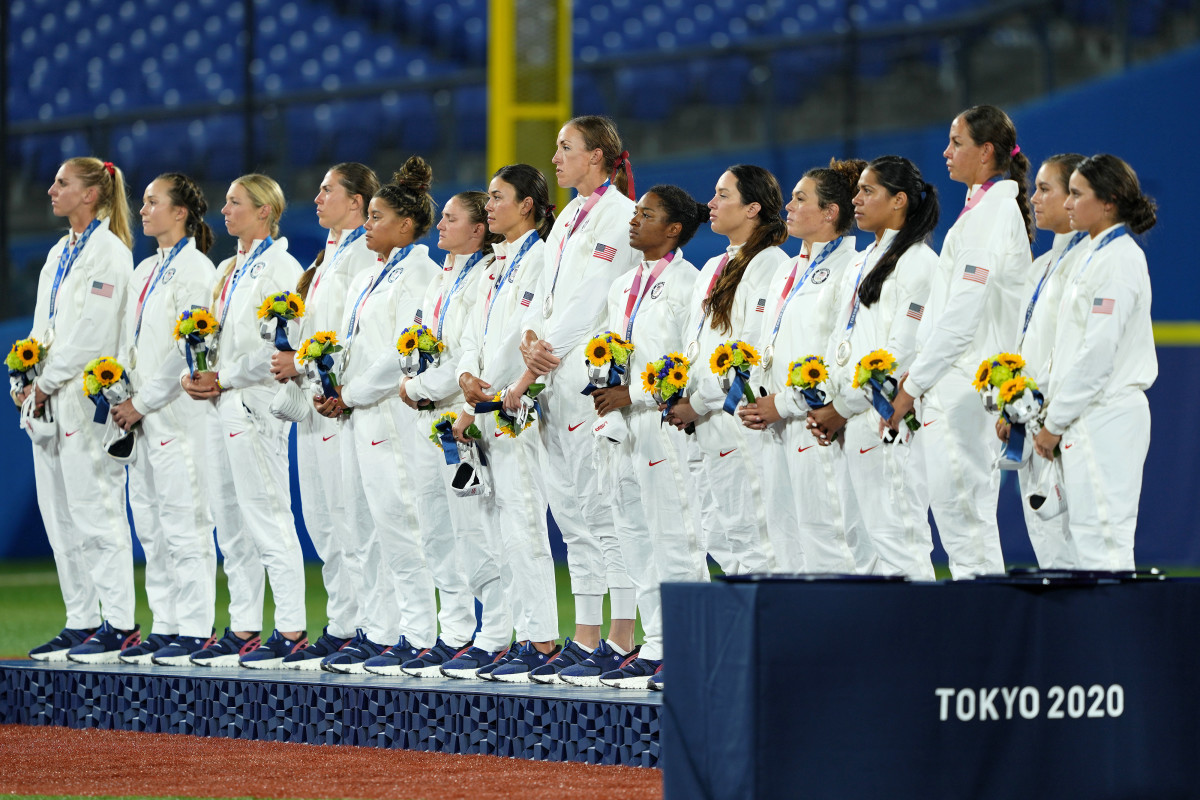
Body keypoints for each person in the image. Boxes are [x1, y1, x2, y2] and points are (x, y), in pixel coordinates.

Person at [503, 116, 641, 683]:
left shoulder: (620, 216)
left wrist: (541, 353)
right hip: (552, 378)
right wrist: (530, 341)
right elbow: (543, 295)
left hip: (588, 378)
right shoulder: (565, 223)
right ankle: (586, 636)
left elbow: (589, 300)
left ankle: (624, 635)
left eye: (565, 148)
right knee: (573, 514)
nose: (555, 158)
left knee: (605, 508)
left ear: (597, 156)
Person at [570, 185, 711, 690]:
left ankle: (690, 649)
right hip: (621, 429)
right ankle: (655, 646)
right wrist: (606, 386)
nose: (634, 221)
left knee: (677, 538)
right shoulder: (622, 284)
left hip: (664, 423)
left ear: (673, 229)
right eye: (634, 213)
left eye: (646, 214)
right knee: (636, 537)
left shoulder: (689, 284)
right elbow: (608, 348)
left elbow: (687, 362)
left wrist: (635, 394)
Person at [310, 157, 445, 673]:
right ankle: (381, 629)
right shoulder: (371, 274)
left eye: (376, 217)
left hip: (392, 414)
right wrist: (334, 385)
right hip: (359, 413)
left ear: (405, 226)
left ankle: (419, 633)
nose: (367, 225)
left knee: (403, 525)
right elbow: (353, 343)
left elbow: (400, 351)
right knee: (364, 525)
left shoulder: (421, 273)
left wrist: (353, 392)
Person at [889, 104, 1035, 578]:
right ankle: (986, 643)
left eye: (957, 142)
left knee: (966, 527)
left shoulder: (991, 212)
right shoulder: (981, 210)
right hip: (951, 382)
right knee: (962, 525)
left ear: (986, 150)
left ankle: (987, 646)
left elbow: (963, 314)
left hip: (961, 386)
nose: (946, 152)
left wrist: (914, 384)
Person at [183, 173, 307, 667]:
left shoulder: (282, 267)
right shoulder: (228, 268)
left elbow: (278, 345)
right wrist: (197, 374)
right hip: (222, 402)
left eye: (235, 203)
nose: (225, 211)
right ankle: (245, 627)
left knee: (269, 516)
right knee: (230, 522)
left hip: (255, 403)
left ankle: (293, 629)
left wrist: (225, 376)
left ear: (264, 211)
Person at [23, 157, 138, 663]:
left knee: (96, 512)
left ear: (91, 194)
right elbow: (40, 325)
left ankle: (120, 624)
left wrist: (44, 382)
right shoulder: (57, 253)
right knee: (59, 516)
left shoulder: (109, 253)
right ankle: (82, 620)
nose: (50, 190)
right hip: (47, 399)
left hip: (83, 396)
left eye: (62, 183)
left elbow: (90, 334)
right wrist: (23, 376)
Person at [266, 163, 381, 669]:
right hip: (313, 403)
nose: (316, 197)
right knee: (322, 520)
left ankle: (375, 627)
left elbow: (353, 335)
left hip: (340, 402)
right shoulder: (326, 254)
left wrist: (305, 361)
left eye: (327, 190)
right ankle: (342, 621)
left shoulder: (363, 256)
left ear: (356, 203)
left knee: (354, 520)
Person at [392, 191, 509, 677]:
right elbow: (422, 339)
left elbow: (467, 353)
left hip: (459, 417)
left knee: (477, 532)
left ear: (478, 230)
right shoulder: (441, 278)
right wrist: (411, 377)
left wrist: (416, 385)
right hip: (425, 418)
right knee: (437, 533)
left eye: (450, 218)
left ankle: (497, 633)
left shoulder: (483, 277)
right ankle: (456, 632)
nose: (439, 225)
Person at [808, 156, 941, 580]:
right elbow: (839, 339)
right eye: (857, 190)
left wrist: (842, 407)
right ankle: (880, 644)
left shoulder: (920, 262)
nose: (856, 199)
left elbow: (901, 351)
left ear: (899, 200)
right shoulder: (863, 259)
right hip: (851, 416)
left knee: (899, 537)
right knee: (860, 539)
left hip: (886, 416)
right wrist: (829, 400)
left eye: (868, 191)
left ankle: (920, 645)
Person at [450, 164, 559, 681]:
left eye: (498, 197)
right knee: (495, 530)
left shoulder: (541, 257)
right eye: (488, 198)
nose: (488, 205)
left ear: (527, 206)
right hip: (486, 406)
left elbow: (525, 331)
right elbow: (472, 330)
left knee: (522, 528)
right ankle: (518, 636)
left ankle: (541, 641)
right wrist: (467, 377)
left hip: (517, 408)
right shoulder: (493, 264)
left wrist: (485, 390)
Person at [107, 173, 219, 665]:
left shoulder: (195, 268)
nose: (143, 209)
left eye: (154, 202)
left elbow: (187, 349)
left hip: (177, 416)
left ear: (181, 213)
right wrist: (120, 391)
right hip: (143, 417)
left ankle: (195, 628)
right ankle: (168, 622)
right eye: (143, 201)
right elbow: (136, 345)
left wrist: (143, 402)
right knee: (151, 525)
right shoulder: (144, 268)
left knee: (185, 522)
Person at [738, 159, 865, 573]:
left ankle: (837, 636)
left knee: (827, 536)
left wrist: (786, 403)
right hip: (776, 424)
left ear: (830, 212)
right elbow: (767, 343)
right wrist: (758, 399)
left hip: (816, 420)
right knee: (784, 537)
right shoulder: (788, 269)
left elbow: (837, 355)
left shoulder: (850, 269)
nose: (787, 207)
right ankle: (795, 636)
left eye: (799, 199)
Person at [664, 164, 791, 574]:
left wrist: (699, 402)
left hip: (737, 416)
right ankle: (751, 634)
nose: (711, 204)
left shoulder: (771, 263)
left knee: (754, 534)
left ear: (753, 208)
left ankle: (772, 634)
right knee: (718, 534)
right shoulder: (714, 266)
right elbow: (695, 345)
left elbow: (751, 350)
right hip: (701, 421)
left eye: (723, 195)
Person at [1032, 154, 1157, 570]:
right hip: (1083, 418)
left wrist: (1052, 424)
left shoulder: (1119, 259)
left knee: (1104, 544)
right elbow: (1066, 352)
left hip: (1106, 416)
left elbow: (1097, 356)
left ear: (1109, 202)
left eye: (1076, 194)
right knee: (1085, 544)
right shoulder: (1090, 256)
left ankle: (1115, 636)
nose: (1067, 203)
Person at [998, 153, 1088, 569]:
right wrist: (1011, 407)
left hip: (1064, 425)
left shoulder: (1086, 266)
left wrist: (1042, 413)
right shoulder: (1041, 267)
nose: (1033, 197)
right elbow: (1024, 351)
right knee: (1049, 547)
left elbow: (1071, 354)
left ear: (1075, 197)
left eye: (1044, 189)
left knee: (1080, 551)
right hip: (1032, 426)